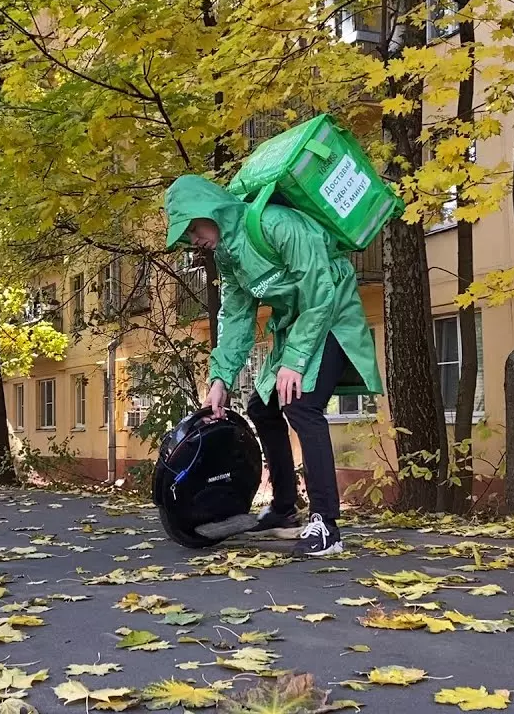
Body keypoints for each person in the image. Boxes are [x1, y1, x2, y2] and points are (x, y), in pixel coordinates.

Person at [163, 174, 383, 557]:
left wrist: (295, 361)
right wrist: (221, 378)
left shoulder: (276, 224)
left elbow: (320, 290)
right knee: (261, 407)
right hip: (298, 324)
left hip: (332, 315)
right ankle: (284, 508)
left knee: (302, 405)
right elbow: (234, 317)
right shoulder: (229, 257)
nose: (194, 240)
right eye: (188, 235)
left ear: (210, 211)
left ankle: (326, 524)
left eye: (194, 228)